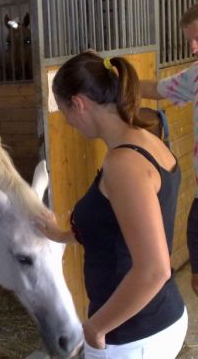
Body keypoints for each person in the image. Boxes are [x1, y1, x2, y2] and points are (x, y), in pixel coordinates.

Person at [36, 51, 187, 358]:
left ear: (78, 103)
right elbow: (116, 225)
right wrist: (59, 234)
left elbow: (154, 270)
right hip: (153, 322)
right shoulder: (147, 138)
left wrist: (95, 328)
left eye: (65, 112)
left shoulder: (123, 163)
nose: (68, 122)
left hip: (133, 335)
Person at [140, 3, 198, 297]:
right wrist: (120, 82)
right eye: (190, 40)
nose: (193, 48)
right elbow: (157, 89)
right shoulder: (196, 76)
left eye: (197, 38)